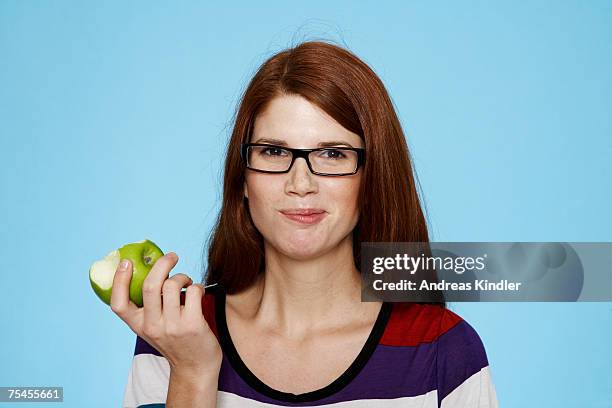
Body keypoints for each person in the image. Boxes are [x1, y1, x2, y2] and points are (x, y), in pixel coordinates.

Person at [113, 40, 499, 407]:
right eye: (274, 151)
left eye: (333, 154)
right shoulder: (176, 334)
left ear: (371, 179)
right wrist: (193, 373)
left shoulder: (444, 349)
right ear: (243, 179)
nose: (300, 184)